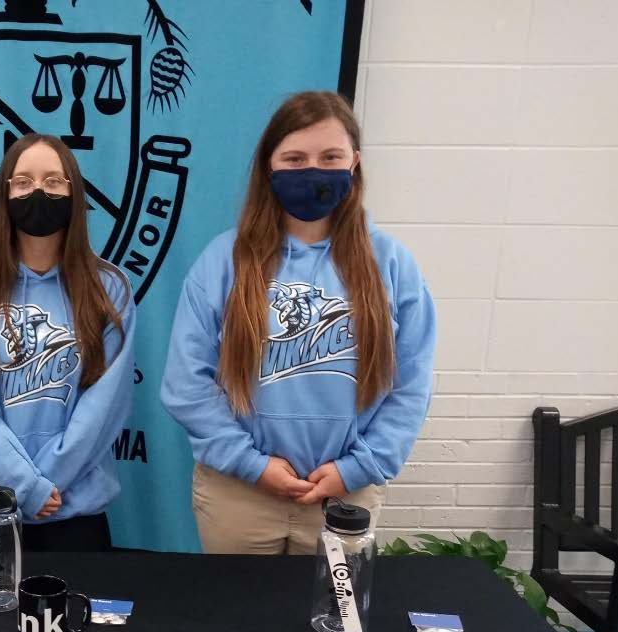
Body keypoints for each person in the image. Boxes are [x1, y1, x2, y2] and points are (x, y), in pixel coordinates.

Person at [161, 91, 436, 555]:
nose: (313, 170)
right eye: (295, 158)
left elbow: (412, 385)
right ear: (270, 167)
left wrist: (356, 469)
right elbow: (186, 383)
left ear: (355, 164)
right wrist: (250, 464)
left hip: (346, 496)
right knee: (237, 625)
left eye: (330, 157)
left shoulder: (391, 264)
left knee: (329, 624)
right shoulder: (223, 262)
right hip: (238, 494)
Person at [0, 133, 136, 552]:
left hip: (75, 513)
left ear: (74, 193)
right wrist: (22, 486)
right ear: (4, 194)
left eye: (53, 181)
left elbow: (105, 406)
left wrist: (48, 483)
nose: (38, 192)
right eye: (24, 182)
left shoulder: (110, 288)